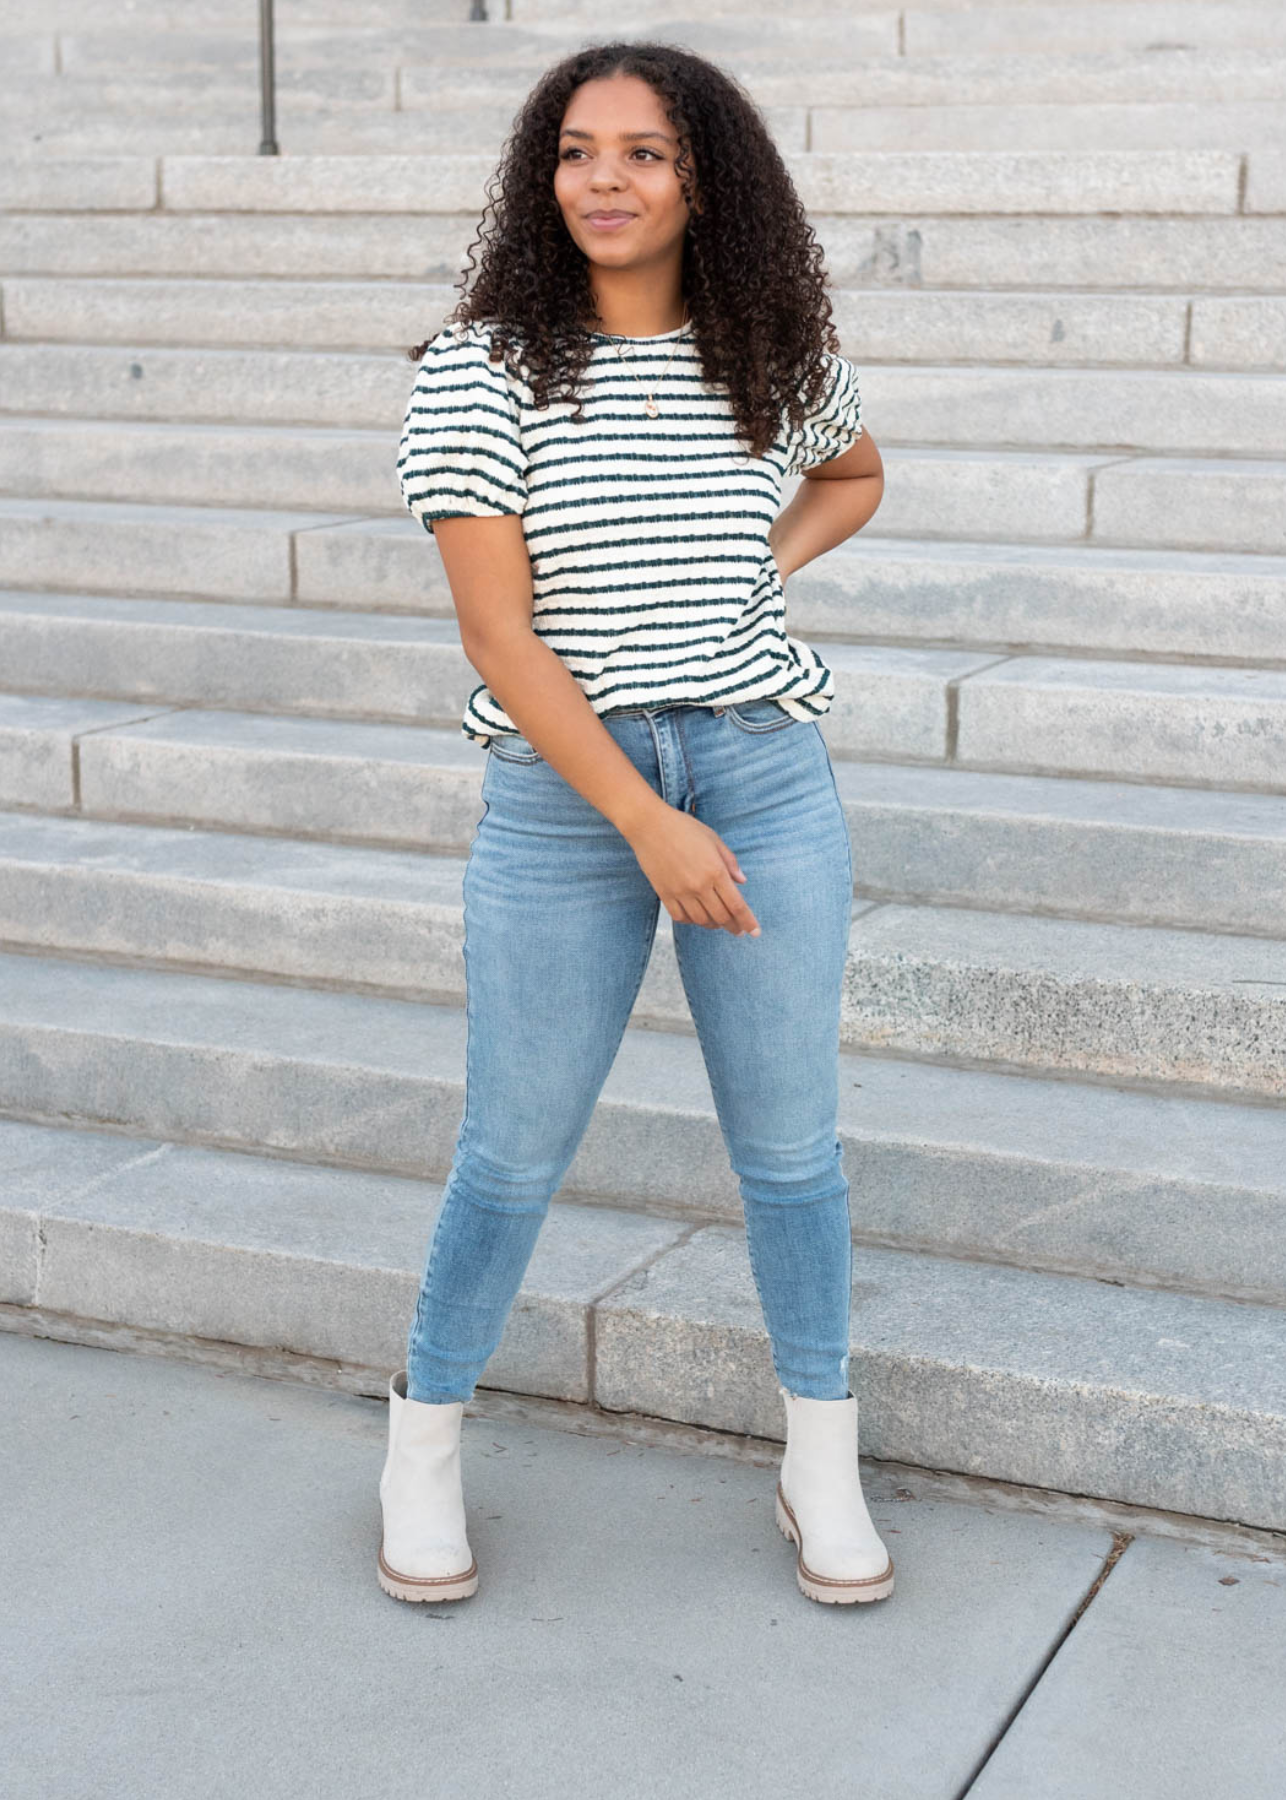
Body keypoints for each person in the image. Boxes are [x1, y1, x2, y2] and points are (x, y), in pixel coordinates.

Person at [377, 40, 893, 1608]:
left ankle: (819, 1463)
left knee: (790, 1151)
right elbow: (498, 640)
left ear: (703, 178)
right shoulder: (482, 366)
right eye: (578, 150)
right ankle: (421, 1445)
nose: (604, 179)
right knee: (512, 1150)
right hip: (563, 799)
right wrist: (644, 823)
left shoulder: (770, 348)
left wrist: (744, 580)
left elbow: (856, 474)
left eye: (645, 152)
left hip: (760, 768)